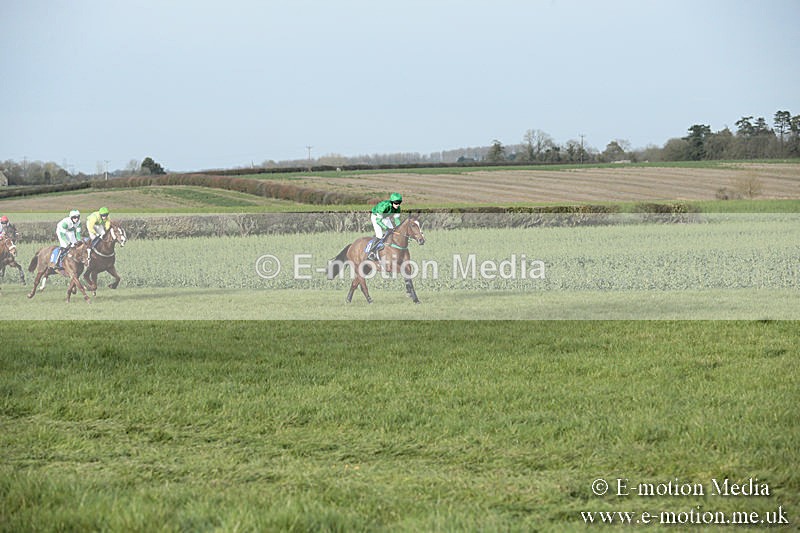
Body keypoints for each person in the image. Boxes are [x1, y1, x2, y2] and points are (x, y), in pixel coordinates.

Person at [367, 193, 403, 261]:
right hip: (376, 217)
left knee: (393, 232)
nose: (397, 205)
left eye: (399, 203)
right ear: (392, 202)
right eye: (396, 203)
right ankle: (372, 252)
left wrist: (399, 229)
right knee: (380, 235)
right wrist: (386, 228)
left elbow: (397, 220)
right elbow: (378, 221)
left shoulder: (397, 208)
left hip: (385, 217)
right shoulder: (384, 207)